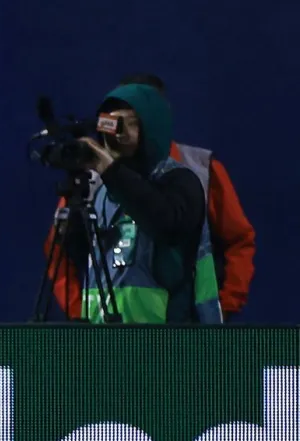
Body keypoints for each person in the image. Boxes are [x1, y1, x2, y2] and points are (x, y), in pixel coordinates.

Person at [46, 75, 255, 321]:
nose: (117, 133)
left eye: (129, 120)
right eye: (111, 120)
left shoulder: (189, 175)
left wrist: (225, 305)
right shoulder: (97, 183)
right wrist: (78, 313)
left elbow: (168, 223)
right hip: (104, 334)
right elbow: (65, 252)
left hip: (166, 333)